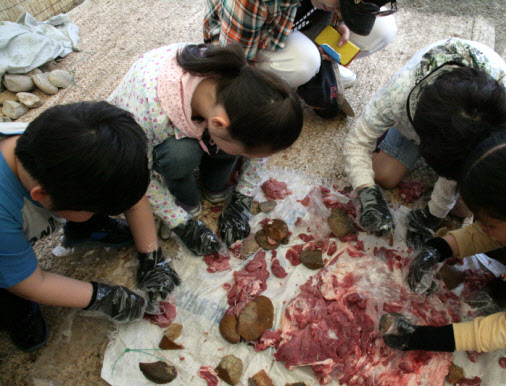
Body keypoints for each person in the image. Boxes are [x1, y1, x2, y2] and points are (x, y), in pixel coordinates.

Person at [0, 102, 180, 352]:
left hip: (61, 197)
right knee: (10, 284)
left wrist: (152, 257)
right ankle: (17, 312)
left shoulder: (69, 144)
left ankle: (84, 229)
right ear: (41, 196)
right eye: (98, 210)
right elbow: (30, 282)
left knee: (93, 198)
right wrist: (103, 297)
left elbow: (132, 196)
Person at [383, 130, 506, 353]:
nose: (482, 228)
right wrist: (440, 247)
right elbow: (490, 233)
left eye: (489, 223)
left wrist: (424, 338)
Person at [108, 43, 303, 253]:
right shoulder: (145, 113)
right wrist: (178, 221)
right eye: (243, 154)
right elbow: (139, 175)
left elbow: (260, 142)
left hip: (202, 123)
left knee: (231, 154)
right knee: (180, 156)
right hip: (148, 132)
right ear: (218, 124)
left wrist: (243, 197)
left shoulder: (243, 93)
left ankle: (214, 184)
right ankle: (185, 197)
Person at [343, 37, 506, 247]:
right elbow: (357, 142)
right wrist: (366, 192)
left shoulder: (501, 99)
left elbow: (455, 171)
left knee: (465, 208)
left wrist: (433, 215)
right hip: (413, 123)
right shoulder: (400, 94)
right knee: (384, 175)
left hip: (462, 137)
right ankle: (389, 135)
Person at [203, 0, 398, 89]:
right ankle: (303, 68)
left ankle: (313, 66)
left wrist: (341, 21)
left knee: (383, 28)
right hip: (248, 35)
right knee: (304, 63)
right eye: (340, 6)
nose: (340, 12)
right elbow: (233, 58)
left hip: (296, 23)